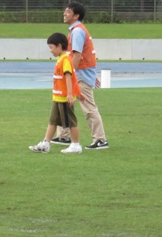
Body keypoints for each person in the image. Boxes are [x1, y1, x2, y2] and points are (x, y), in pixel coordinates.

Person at [51, 2, 109, 150]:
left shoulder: (77, 31)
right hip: (82, 73)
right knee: (65, 104)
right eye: (65, 11)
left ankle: (100, 139)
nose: (64, 14)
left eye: (68, 12)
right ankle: (63, 136)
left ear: (76, 15)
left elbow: (77, 55)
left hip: (80, 75)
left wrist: (70, 74)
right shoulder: (76, 30)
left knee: (88, 108)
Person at [29, 33, 82, 154]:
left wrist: (70, 94)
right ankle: (45, 143)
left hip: (64, 98)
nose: (51, 51)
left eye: (52, 48)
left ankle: (75, 145)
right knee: (52, 121)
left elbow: (69, 77)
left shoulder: (66, 60)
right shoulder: (61, 59)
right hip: (57, 97)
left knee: (71, 122)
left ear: (59, 46)